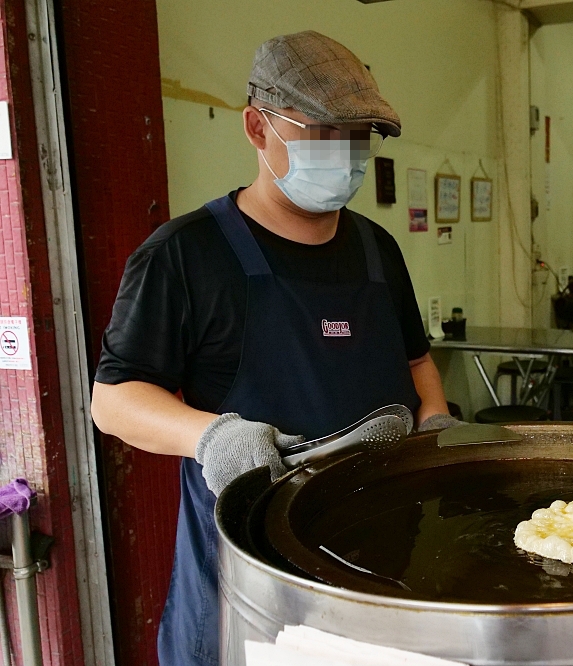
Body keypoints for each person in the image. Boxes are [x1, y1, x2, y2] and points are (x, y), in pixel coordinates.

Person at [90, 30, 459, 666]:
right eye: (324, 135)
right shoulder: (185, 255)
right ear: (258, 129)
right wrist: (213, 438)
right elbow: (115, 399)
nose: (345, 156)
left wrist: (435, 421)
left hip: (379, 564)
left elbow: (416, 360)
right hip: (250, 580)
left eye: (357, 138)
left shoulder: (377, 249)